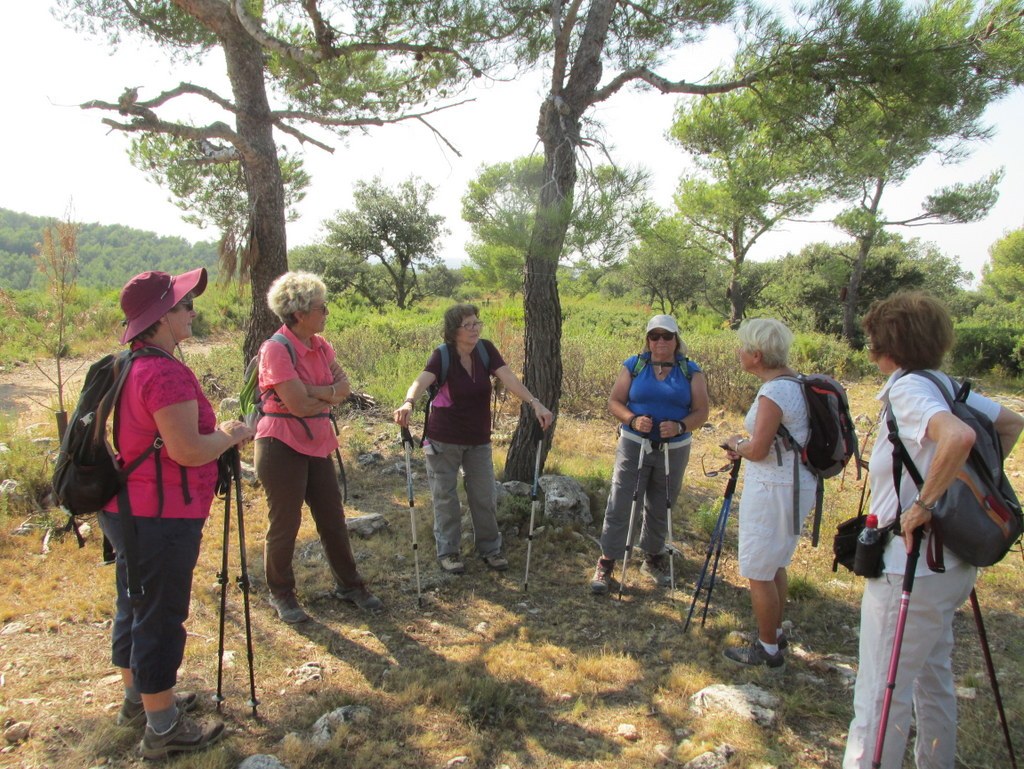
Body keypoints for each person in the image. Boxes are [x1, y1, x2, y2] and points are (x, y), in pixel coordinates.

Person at [843, 291, 1023, 769]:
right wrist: (961, 493)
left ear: (889, 345)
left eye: (872, 341)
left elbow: (960, 437)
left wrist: (928, 503)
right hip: (949, 566)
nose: (870, 350)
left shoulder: (909, 389)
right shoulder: (945, 385)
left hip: (911, 567)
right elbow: (1008, 424)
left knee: (880, 695)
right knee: (931, 678)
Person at [100, 268, 254, 760]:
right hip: (160, 515)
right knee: (162, 616)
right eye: (184, 306)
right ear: (160, 318)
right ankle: (163, 727)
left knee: (135, 603)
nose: (192, 312)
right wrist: (232, 435)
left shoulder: (128, 364)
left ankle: (139, 701)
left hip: (127, 509)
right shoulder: (164, 371)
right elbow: (187, 450)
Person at [256, 271, 382, 623]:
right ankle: (281, 593)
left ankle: (350, 585)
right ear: (298, 313)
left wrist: (314, 393)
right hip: (280, 443)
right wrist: (325, 396)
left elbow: (344, 386)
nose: (326, 312)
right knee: (285, 522)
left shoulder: (320, 345)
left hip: (317, 442)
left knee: (332, 518)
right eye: (320, 307)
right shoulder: (276, 349)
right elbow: (298, 404)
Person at [392, 303, 553, 574]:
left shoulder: (485, 350)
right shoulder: (442, 355)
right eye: (468, 325)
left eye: (477, 323)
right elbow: (421, 380)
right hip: (444, 439)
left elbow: (509, 378)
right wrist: (408, 402)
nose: (475, 329)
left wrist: (534, 402)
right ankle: (449, 552)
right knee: (445, 497)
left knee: (484, 496)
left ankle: (490, 548)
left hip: (479, 439)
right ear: (454, 330)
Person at [591, 314, 709, 594]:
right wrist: (632, 420)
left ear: (676, 339)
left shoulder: (691, 370)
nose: (660, 342)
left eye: (666, 336)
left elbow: (702, 412)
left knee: (662, 501)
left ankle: (652, 556)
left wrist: (680, 425)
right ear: (647, 339)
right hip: (634, 444)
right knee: (621, 499)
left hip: (674, 448)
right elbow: (615, 402)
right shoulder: (634, 365)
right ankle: (607, 561)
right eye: (654, 336)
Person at [721, 318, 813, 667]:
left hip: (775, 489)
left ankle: (767, 649)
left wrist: (735, 443)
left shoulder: (774, 391)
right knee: (774, 564)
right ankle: (772, 633)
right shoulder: (796, 383)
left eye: (742, 347)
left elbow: (758, 450)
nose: (739, 352)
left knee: (759, 569)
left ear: (756, 355)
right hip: (794, 484)